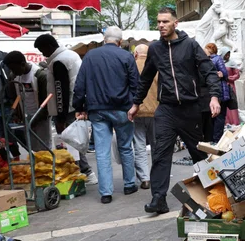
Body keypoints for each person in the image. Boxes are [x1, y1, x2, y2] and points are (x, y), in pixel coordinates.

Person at [129, 8, 220, 214]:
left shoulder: (190, 46)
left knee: (198, 153)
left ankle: (213, 193)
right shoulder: (155, 50)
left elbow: (209, 71)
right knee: (160, 154)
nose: (161, 25)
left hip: (190, 109)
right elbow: (145, 79)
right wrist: (136, 104)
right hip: (166, 110)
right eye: (158, 22)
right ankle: (158, 199)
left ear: (175, 23)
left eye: (165, 22)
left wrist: (214, 97)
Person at [72, 27, 139, 205]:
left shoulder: (90, 57)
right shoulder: (126, 56)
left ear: (104, 39)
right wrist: (134, 105)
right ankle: (129, 184)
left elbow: (80, 84)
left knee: (102, 152)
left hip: (97, 110)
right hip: (123, 109)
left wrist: (78, 106)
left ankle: (106, 192)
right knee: (125, 147)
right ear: (120, 41)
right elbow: (136, 84)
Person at [34, 34, 95, 183]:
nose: (43, 54)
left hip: (67, 110)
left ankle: (84, 172)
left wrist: (60, 117)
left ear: (49, 46)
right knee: (76, 141)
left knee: (72, 142)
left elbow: (61, 91)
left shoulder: (59, 61)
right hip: (76, 105)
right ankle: (83, 172)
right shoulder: (71, 55)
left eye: (42, 50)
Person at [3, 51, 51, 152]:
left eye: (14, 69)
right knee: (32, 147)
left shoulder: (40, 75)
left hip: (40, 117)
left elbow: (46, 101)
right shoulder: (14, 77)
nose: (13, 72)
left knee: (44, 147)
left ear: (23, 64)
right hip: (25, 117)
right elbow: (14, 97)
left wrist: (35, 119)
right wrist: (16, 112)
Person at [131, 44, 157, 190]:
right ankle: (156, 174)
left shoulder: (132, 66)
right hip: (155, 111)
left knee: (139, 145)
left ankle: (144, 178)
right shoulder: (155, 65)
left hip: (137, 111)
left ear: (136, 54)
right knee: (156, 145)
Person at [204, 43, 230, 143]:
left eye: (206, 48)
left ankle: (217, 140)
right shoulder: (206, 60)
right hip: (211, 92)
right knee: (213, 117)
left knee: (219, 117)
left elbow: (225, 73)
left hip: (220, 91)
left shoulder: (217, 59)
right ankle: (212, 139)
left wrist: (221, 74)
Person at [223, 48, 241, 127]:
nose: (227, 56)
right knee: (225, 105)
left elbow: (237, 75)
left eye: (228, 54)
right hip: (223, 86)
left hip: (231, 86)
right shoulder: (219, 62)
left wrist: (229, 78)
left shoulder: (232, 63)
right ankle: (227, 123)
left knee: (232, 103)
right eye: (226, 54)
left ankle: (235, 122)